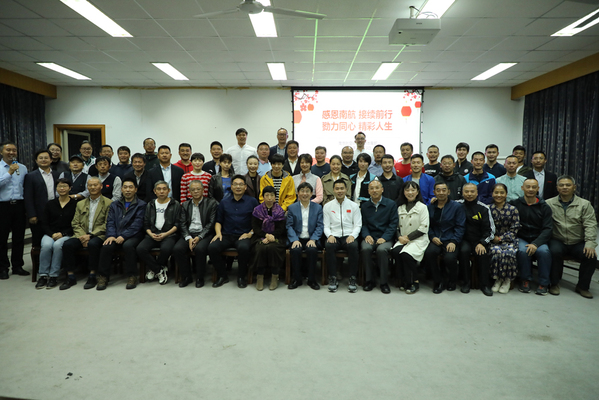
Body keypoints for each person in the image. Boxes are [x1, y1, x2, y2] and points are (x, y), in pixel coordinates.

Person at [546, 175, 597, 299]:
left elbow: (590, 225)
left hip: (577, 241)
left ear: (574, 187)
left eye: (568, 185)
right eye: (561, 185)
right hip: (558, 239)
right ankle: (554, 284)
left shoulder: (584, 204)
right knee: (554, 252)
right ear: (557, 188)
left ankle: (583, 286)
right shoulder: (549, 203)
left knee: (590, 256)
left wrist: (590, 243)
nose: (564, 187)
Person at [59, 177, 111, 290]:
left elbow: (107, 224)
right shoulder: (80, 204)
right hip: (81, 234)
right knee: (67, 245)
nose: (93, 187)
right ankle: (70, 276)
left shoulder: (108, 203)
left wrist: (90, 236)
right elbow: (75, 223)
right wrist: (83, 236)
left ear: (101, 186)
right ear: (87, 187)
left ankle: (92, 275)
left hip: (99, 235)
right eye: (90, 185)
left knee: (93, 244)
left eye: (95, 185)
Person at [208, 175, 259, 288]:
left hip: (243, 235)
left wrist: (250, 233)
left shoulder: (252, 201)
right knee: (212, 247)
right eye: (235, 184)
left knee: (244, 248)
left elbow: (257, 222)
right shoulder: (224, 202)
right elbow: (218, 221)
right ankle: (222, 275)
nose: (238, 187)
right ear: (231, 187)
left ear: (245, 187)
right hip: (226, 234)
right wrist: (218, 233)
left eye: (241, 184)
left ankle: (241, 277)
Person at [96, 178, 146, 290]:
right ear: (121, 189)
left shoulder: (141, 204)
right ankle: (103, 276)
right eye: (125, 187)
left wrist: (123, 236)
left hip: (134, 235)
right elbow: (110, 222)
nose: (128, 190)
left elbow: (137, 224)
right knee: (106, 246)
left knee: (128, 246)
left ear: (135, 189)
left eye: (130, 187)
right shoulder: (114, 204)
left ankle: (132, 276)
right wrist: (111, 235)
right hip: (115, 235)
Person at [510, 178, 553, 296]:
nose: (530, 189)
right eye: (528, 187)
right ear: (522, 188)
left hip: (539, 238)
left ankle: (543, 283)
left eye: (534, 187)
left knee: (544, 252)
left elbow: (548, 228)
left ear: (538, 189)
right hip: (521, 237)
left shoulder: (544, 207)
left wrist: (535, 243)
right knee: (522, 251)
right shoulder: (515, 204)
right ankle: (525, 280)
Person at [174, 180, 218, 288]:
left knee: (200, 249)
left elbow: (211, 224)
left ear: (203, 190)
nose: (196, 191)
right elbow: (182, 223)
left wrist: (199, 237)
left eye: (198, 189)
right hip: (189, 233)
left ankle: (200, 277)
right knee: (178, 249)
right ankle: (186, 277)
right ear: (189, 192)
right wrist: (189, 238)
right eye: (193, 189)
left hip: (205, 234)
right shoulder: (185, 205)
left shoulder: (211, 203)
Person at [423, 182, 466, 293]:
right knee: (429, 253)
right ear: (434, 192)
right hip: (436, 238)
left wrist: (454, 241)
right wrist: (432, 236)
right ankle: (438, 281)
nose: (441, 192)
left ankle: (452, 280)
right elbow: (427, 225)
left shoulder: (457, 207)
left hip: (451, 238)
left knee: (449, 258)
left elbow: (460, 226)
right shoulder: (430, 207)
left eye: (444, 190)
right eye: (438, 190)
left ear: (448, 191)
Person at [136, 181, 181, 286]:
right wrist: (151, 234)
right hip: (152, 234)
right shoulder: (150, 204)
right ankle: (159, 270)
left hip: (169, 235)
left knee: (166, 249)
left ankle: (154, 269)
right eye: (159, 189)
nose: (161, 191)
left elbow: (177, 224)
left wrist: (165, 234)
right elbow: (146, 223)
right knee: (140, 248)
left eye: (164, 189)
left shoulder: (175, 204)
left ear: (169, 191)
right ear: (154, 191)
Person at [36, 178, 77, 289]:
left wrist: (63, 233)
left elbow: (76, 223)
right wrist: (52, 234)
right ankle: (43, 275)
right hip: (50, 233)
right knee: (46, 245)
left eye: (65, 186)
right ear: (56, 188)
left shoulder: (75, 204)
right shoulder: (50, 204)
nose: (62, 188)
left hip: (67, 234)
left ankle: (54, 276)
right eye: (59, 186)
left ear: (70, 188)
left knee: (58, 246)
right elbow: (44, 223)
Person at [456, 183, 495, 296]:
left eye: (472, 191)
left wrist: (482, 242)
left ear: (477, 193)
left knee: (482, 253)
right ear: (462, 193)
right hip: (464, 240)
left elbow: (490, 230)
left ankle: (485, 284)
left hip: (480, 240)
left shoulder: (484, 208)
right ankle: (465, 283)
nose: (469, 194)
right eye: (466, 191)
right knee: (463, 251)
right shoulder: (457, 205)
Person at [391, 181, 430, 294]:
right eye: (407, 190)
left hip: (418, 239)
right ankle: (404, 279)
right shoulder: (400, 208)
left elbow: (424, 228)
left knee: (406, 254)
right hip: (403, 239)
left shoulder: (422, 207)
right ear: (403, 192)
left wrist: (408, 237)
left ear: (417, 192)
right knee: (396, 252)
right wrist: (399, 237)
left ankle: (414, 281)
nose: (410, 192)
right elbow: (396, 226)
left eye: (413, 190)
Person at [323, 179, 362, 293]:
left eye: (342, 188)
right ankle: (333, 277)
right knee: (329, 246)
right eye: (337, 189)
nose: (339, 191)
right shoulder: (327, 206)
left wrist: (353, 235)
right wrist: (329, 235)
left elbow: (358, 225)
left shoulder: (354, 206)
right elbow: (325, 225)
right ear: (333, 190)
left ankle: (352, 277)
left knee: (353, 246)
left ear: (346, 189)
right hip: (334, 235)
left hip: (349, 235)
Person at [361, 180, 398, 294]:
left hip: (385, 237)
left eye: (377, 188)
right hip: (370, 236)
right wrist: (366, 235)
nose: (374, 190)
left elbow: (393, 224)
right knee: (366, 248)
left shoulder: (391, 204)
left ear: (382, 189)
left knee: (382, 250)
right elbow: (363, 224)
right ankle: (369, 281)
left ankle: (383, 282)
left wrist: (385, 237)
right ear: (368, 191)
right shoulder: (365, 206)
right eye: (371, 188)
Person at [287, 182, 324, 290]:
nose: (305, 194)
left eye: (307, 191)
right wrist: (294, 239)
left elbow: (320, 226)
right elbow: (289, 226)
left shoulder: (318, 208)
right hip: (297, 238)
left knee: (312, 250)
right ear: (298, 193)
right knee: (295, 250)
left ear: (312, 193)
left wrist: (313, 239)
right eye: (302, 191)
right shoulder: (292, 208)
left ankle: (312, 280)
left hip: (311, 238)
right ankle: (297, 279)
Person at [0, 141, 28, 279]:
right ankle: (3, 268)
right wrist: (9, 173)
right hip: (2, 206)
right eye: (8, 150)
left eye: (14, 150)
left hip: (19, 205)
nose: (12, 153)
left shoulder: (22, 168)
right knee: (2, 238)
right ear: (1, 152)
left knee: (19, 237)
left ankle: (17, 266)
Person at [251, 186, 287, 291]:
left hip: (276, 237)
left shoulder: (280, 211)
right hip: (259, 236)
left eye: (272, 195)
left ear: (275, 197)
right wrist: (265, 235)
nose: (269, 198)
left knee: (273, 248)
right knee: (261, 248)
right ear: (263, 197)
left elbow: (281, 229)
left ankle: (275, 276)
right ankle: (260, 276)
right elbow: (255, 227)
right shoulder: (257, 210)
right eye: (267, 195)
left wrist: (272, 236)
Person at [489, 183, 521, 294]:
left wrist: (501, 238)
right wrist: (493, 238)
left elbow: (515, 228)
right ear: (492, 194)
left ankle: (507, 280)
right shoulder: (488, 209)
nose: (499, 195)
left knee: (509, 252)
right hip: (492, 240)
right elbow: (485, 227)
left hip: (509, 240)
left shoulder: (513, 209)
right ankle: (497, 279)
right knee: (496, 251)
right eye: (496, 192)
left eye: (502, 192)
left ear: (506, 194)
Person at [24, 149, 59, 247]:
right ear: (36, 160)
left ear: (51, 160)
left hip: (55, 213)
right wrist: (31, 214)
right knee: (37, 241)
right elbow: (28, 196)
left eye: (46, 158)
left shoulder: (57, 174)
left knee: (54, 239)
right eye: (41, 158)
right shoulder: (30, 176)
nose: (43, 160)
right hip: (38, 214)